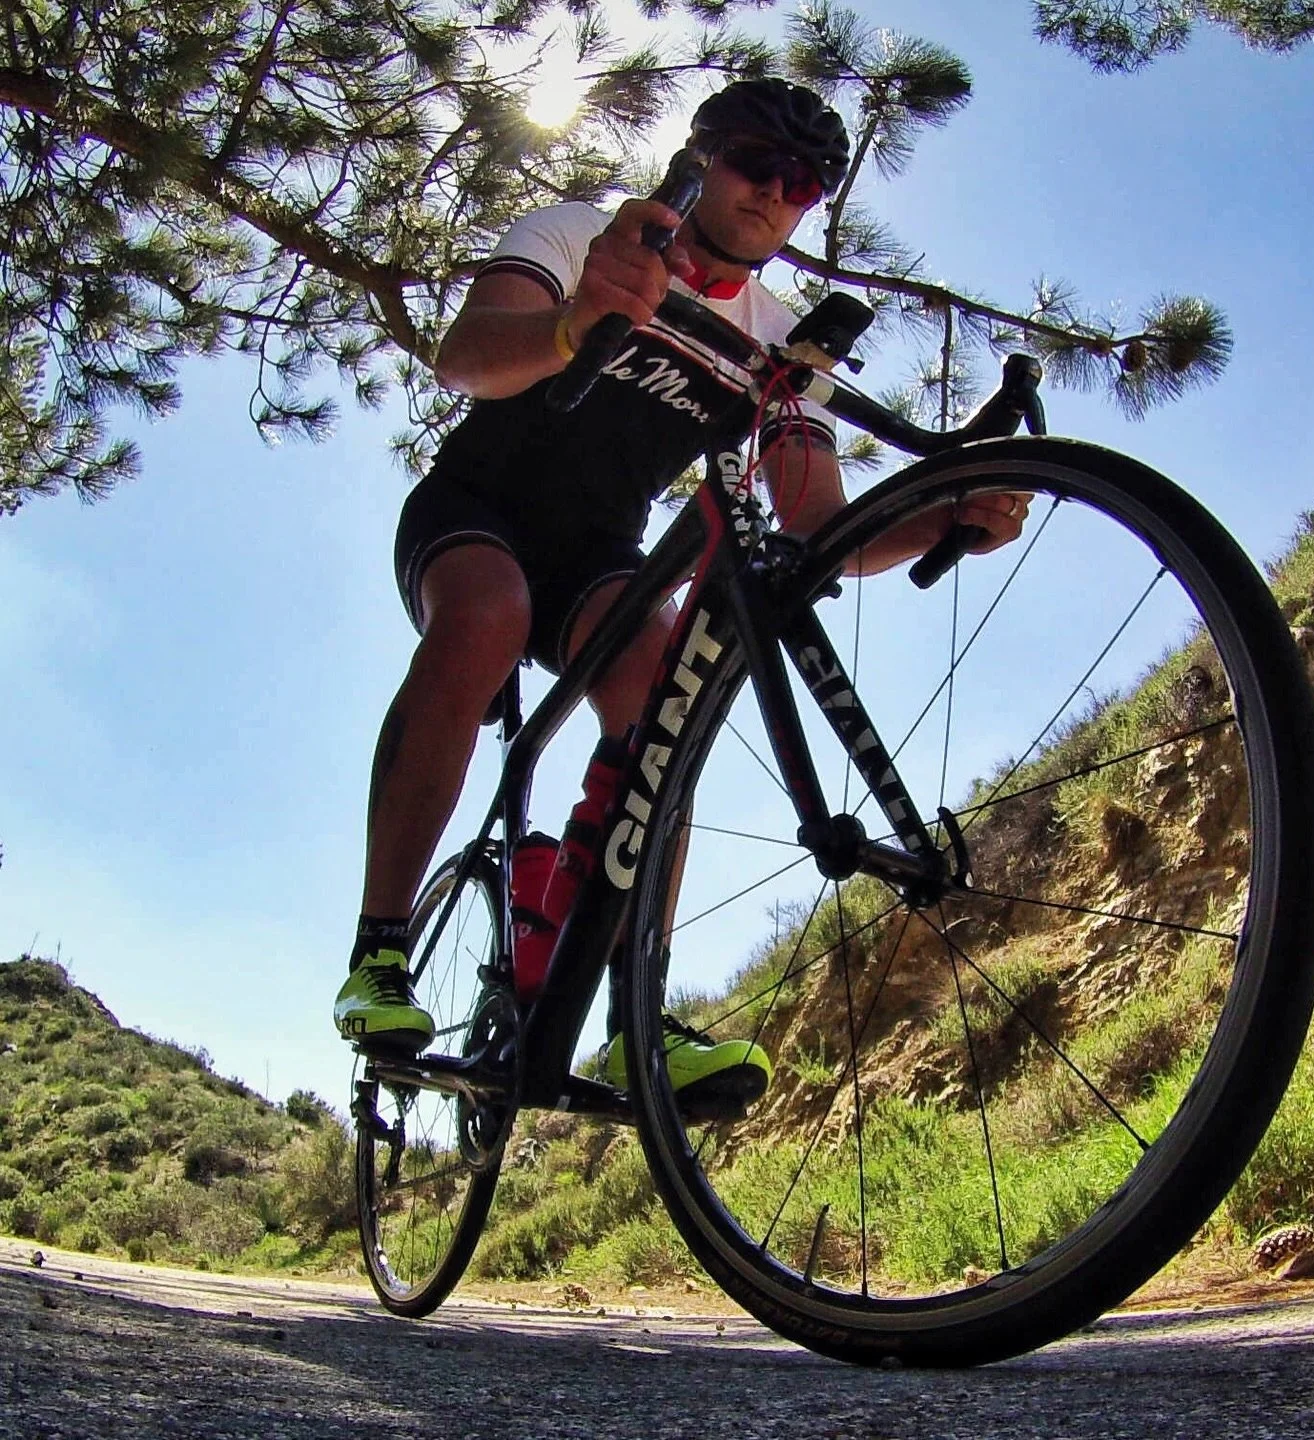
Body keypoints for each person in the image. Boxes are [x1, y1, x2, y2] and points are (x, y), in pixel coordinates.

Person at [333, 77, 1029, 1097]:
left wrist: (937, 520)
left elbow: (816, 525)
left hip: (598, 556)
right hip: (473, 514)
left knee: (667, 695)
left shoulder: (780, 339)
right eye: (758, 164)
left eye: (805, 184)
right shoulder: (585, 233)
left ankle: (629, 1011)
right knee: (488, 613)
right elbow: (465, 356)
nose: (775, 195)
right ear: (703, 159)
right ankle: (379, 951)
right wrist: (575, 324)